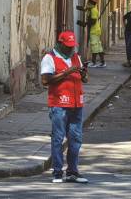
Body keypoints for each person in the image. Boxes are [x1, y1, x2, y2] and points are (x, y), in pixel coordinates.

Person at [41, 31, 89, 183]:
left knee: (76, 138)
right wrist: (66, 72)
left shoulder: (76, 57)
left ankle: (72, 172)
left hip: (76, 104)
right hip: (59, 104)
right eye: (68, 47)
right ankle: (57, 172)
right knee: (58, 138)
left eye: (72, 47)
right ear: (60, 43)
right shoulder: (50, 58)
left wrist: (83, 73)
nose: (70, 50)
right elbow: (45, 80)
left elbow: (85, 79)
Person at [86, 0, 106, 67]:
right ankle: (103, 62)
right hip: (96, 30)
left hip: (94, 31)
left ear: (91, 2)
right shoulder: (91, 9)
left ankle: (93, 62)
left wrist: (86, 23)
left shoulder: (93, 10)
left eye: (89, 1)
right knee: (99, 47)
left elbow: (93, 22)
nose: (87, 3)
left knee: (94, 46)